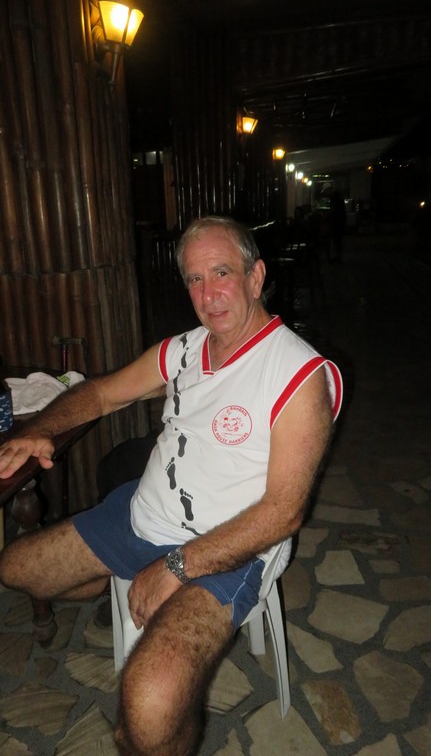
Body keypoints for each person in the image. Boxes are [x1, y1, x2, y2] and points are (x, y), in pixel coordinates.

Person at [0, 216, 342, 756]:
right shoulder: (184, 349)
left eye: (222, 273)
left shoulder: (298, 375)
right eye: (194, 279)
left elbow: (283, 512)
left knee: (148, 716)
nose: (209, 294)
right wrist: (39, 429)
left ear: (256, 277)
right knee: (15, 568)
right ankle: (116, 573)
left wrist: (176, 567)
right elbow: (102, 394)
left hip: (229, 549)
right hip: (142, 513)